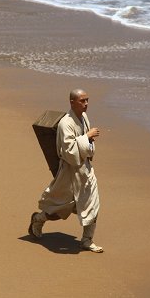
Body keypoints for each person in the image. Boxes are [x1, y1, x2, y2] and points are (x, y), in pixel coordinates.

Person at [28, 88, 103, 253]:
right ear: (72, 102)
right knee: (60, 208)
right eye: (82, 101)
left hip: (85, 172)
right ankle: (38, 219)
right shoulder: (65, 124)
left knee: (93, 205)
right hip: (69, 174)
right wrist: (87, 137)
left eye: (87, 100)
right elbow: (69, 153)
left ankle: (87, 240)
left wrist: (87, 141)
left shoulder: (83, 117)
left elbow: (86, 146)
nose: (86, 104)